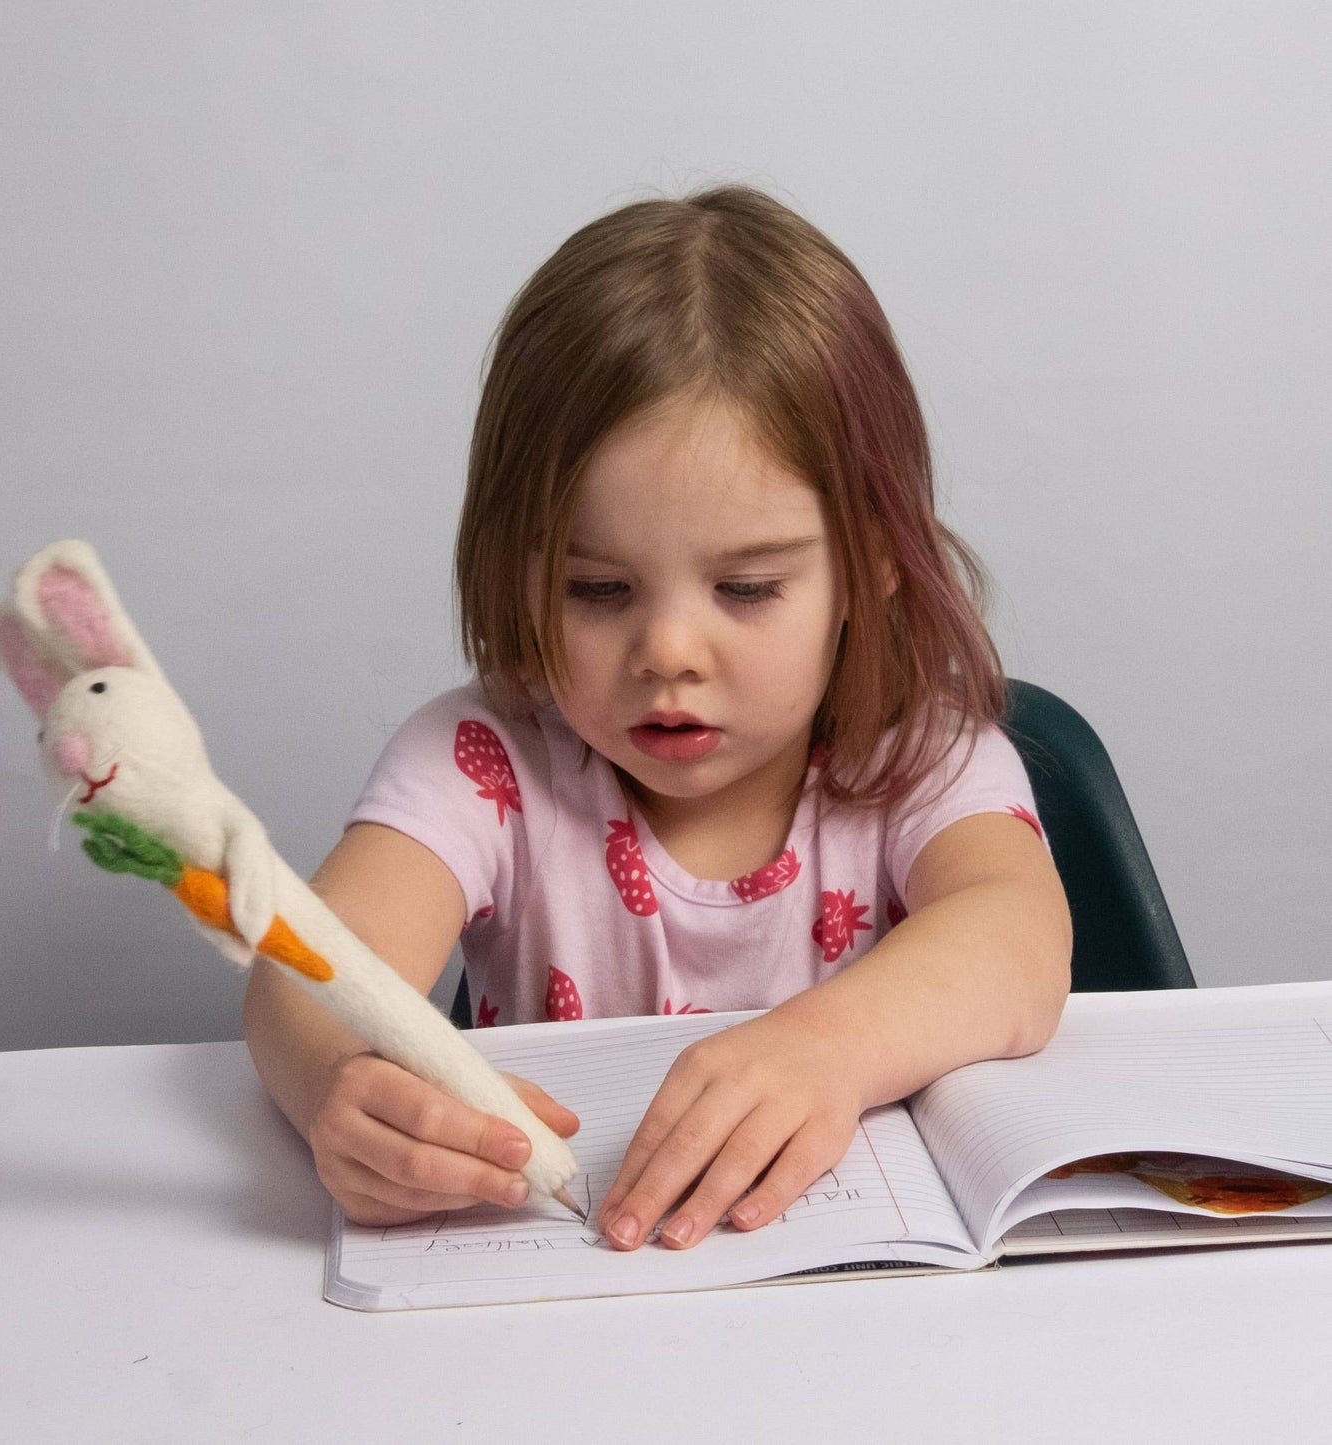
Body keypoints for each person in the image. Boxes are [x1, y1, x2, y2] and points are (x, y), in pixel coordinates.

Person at [242, 184, 1072, 1253]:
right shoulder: (484, 761)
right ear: (516, 569)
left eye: (744, 588)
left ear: (867, 562)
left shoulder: (922, 757)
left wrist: (825, 1048)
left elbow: (1019, 940)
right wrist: (336, 1085)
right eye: (597, 590)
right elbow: (306, 966)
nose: (668, 652)